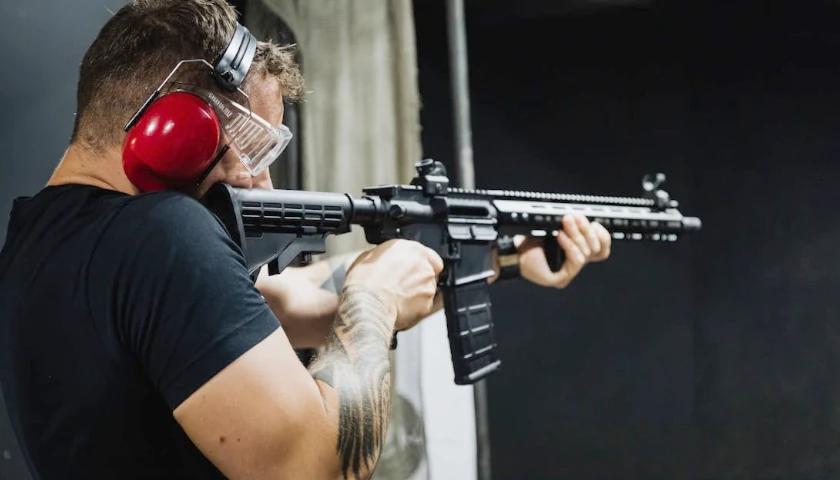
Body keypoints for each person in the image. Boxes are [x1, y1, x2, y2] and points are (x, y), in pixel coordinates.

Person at [0, 1, 612, 479]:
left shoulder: (41, 241)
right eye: (257, 147)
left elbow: (292, 301)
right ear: (179, 129)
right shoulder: (163, 233)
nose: (262, 182)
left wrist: (500, 259)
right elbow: (318, 468)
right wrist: (374, 298)